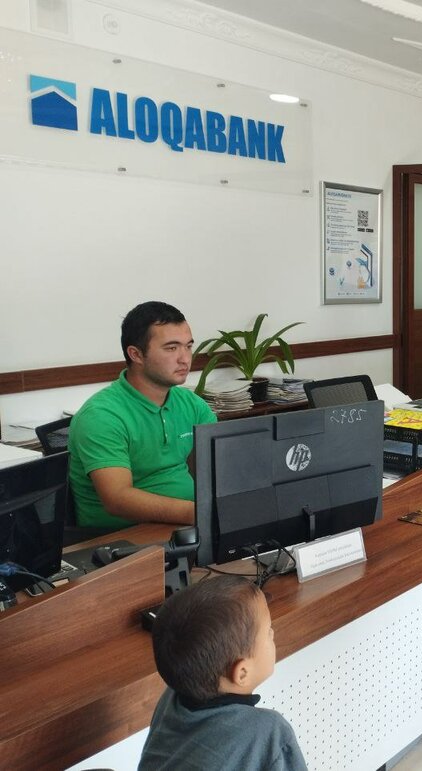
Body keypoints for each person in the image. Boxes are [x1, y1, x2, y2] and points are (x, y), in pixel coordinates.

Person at [68, 301, 216, 529]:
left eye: (188, 346)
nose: (185, 358)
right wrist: (200, 513)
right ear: (136, 354)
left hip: (188, 526)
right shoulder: (101, 416)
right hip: (124, 537)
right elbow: (117, 499)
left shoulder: (192, 404)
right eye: (171, 348)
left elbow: (214, 471)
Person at [140, 575, 307, 770]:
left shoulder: (172, 699)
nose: (273, 633)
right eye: (268, 631)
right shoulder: (269, 731)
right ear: (242, 673)